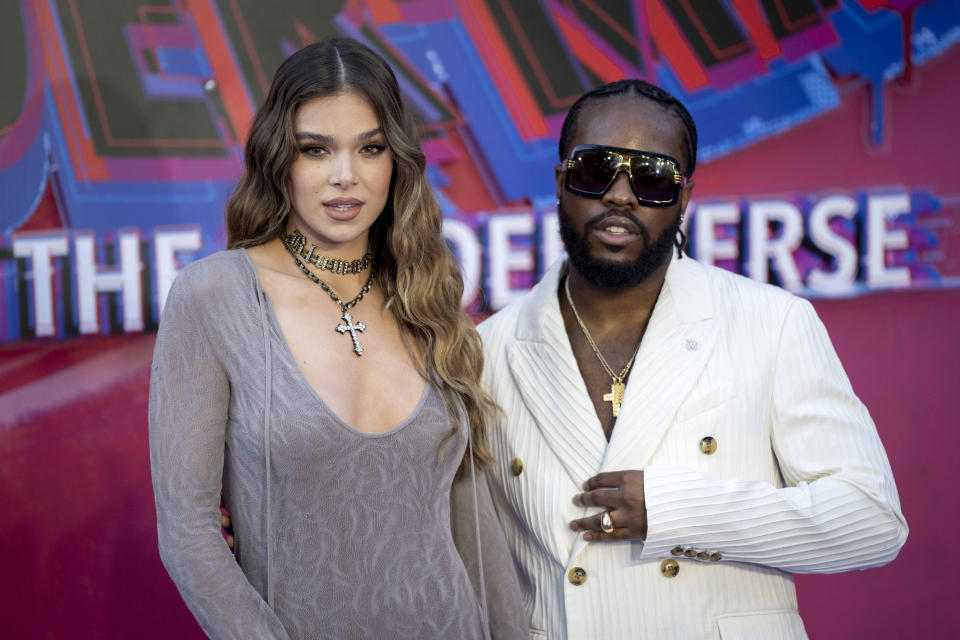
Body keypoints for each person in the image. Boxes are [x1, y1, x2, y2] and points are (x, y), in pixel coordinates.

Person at [477, 79, 908, 639]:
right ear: (561, 182)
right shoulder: (486, 352)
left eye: (652, 178)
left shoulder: (771, 322)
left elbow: (871, 520)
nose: (621, 195)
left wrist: (674, 511)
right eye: (595, 170)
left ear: (684, 196)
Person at [148, 38, 527, 640]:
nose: (344, 177)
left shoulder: (425, 291)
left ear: (395, 159)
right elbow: (188, 533)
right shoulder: (215, 296)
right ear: (281, 160)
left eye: (369, 148)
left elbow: (469, 512)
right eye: (316, 150)